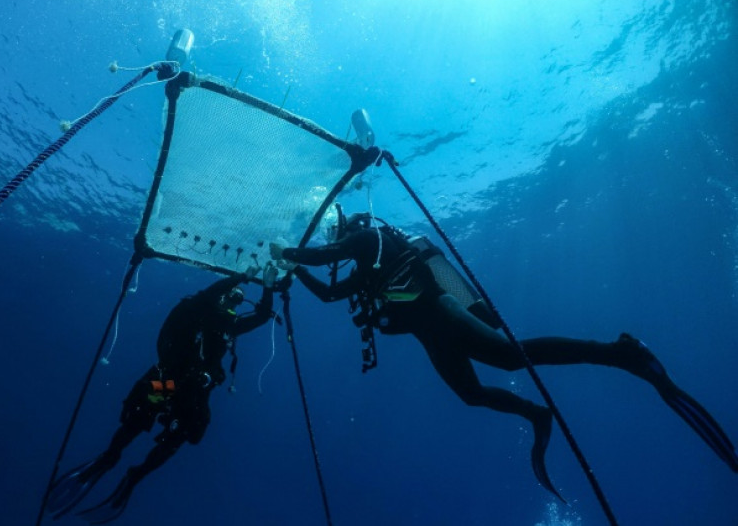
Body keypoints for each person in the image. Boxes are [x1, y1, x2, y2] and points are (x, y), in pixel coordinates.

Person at [270, 206, 738, 498]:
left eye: (335, 233)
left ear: (348, 227)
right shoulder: (366, 271)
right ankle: (537, 413)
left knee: (511, 357)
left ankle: (618, 352)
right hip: (432, 334)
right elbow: (329, 294)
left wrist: (286, 254)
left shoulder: (368, 238)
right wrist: (293, 273)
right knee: (470, 395)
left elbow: (322, 257)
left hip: (444, 311)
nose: (335, 240)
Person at [46, 264, 279, 523]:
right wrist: (243, 278)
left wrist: (266, 286)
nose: (232, 304)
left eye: (236, 301)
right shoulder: (196, 309)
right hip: (171, 384)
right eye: (230, 297)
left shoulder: (226, 325)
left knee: (180, 430)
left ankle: (132, 472)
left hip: (185, 391)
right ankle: (112, 458)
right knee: (145, 414)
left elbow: (260, 316)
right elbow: (210, 297)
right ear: (219, 297)